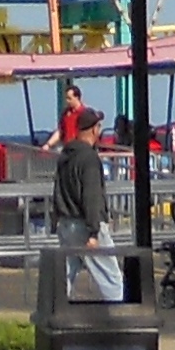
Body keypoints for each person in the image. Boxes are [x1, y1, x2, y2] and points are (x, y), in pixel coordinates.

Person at [50, 107, 120, 301]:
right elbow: (91, 196)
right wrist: (94, 231)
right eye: (99, 126)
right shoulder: (89, 158)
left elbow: (57, 190)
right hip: (84, 225)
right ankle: (119, 321)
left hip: (65, 223)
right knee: (111, 278)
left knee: (65, 277)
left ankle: (54, 314)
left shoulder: (66, 155)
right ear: (94, 129)